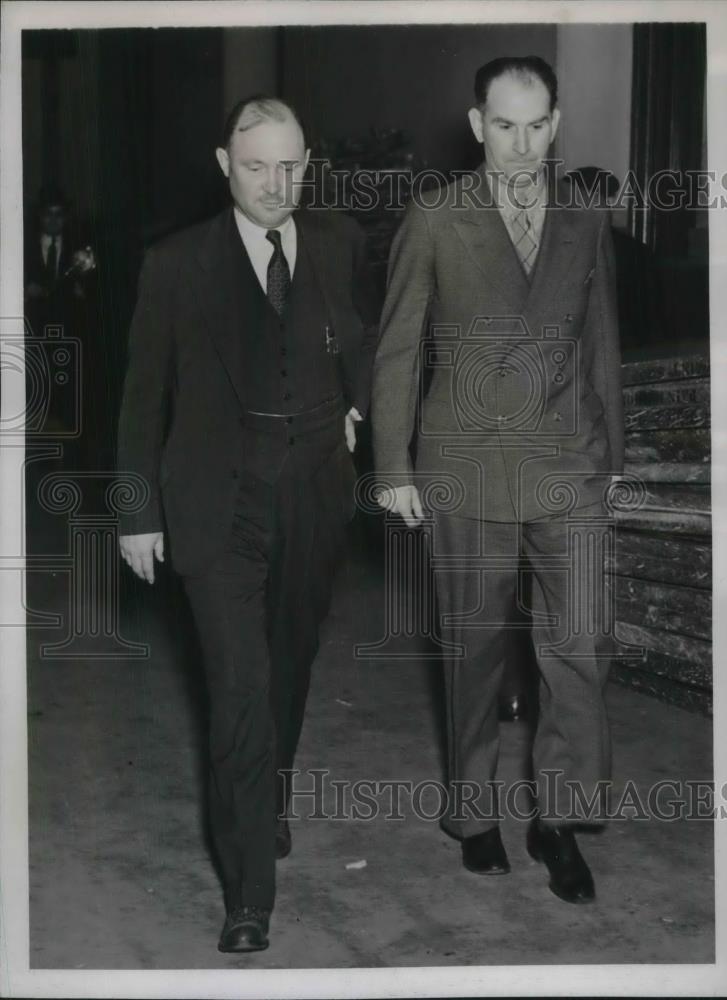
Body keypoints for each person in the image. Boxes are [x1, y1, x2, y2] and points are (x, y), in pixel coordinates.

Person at [116, 96, 379, 952]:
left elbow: (364, 347)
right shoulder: (175, 265)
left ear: (309, 163)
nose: (277, 183)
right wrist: (136, 515)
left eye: (291, 164)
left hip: (311, 493)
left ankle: (269, 790)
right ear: (224, 165)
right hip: (213, 504)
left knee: (288, 665)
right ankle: (247, 896)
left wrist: (360, 414)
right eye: (258, 165)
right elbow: (139, 398)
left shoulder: (337, 244)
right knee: (236, 690)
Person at [372, 56, 624, 903]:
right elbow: (399, 345)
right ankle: (473, 810)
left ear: (554, 125)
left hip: (567, 466)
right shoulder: (438, 216)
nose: (519, 144)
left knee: (580, 645)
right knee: (474, 651)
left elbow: (600, 342)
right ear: (478, 125)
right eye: (502, 125)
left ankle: (558, 819)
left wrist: (610, 458)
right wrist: (392, 465)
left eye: (536, 125)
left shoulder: (585, 216)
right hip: (464, 468)